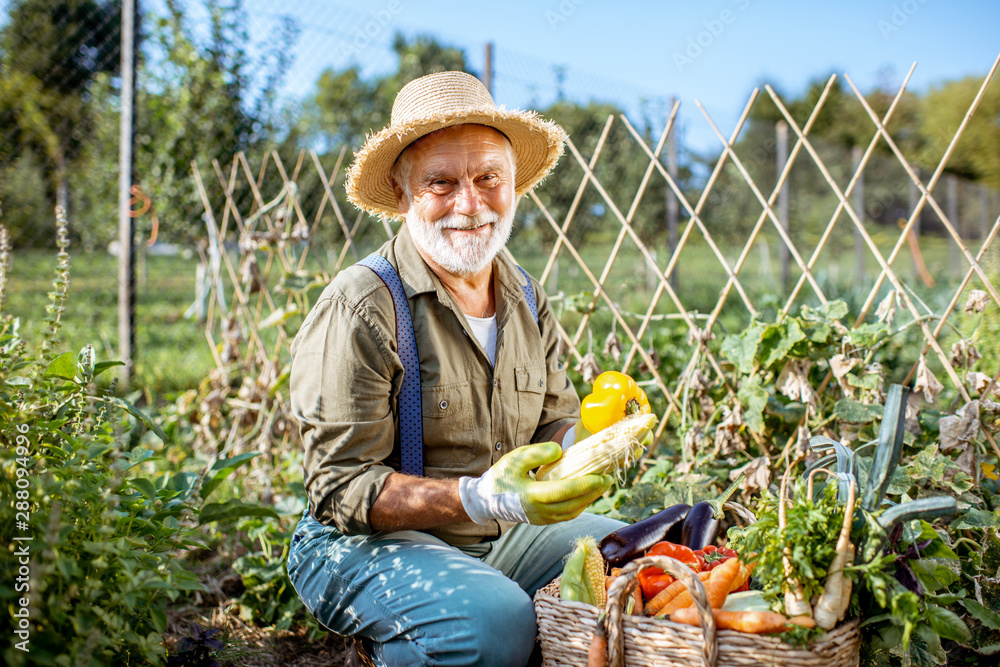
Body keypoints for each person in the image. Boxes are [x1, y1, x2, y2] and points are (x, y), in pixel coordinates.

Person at [286, 71, 624, 667]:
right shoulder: (363, 306)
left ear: (513, 183)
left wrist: (598, 438)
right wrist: (481, 497)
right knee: (496, 625)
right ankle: (405, 642)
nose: (471, 204)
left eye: (488, 178)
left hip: (496, 534)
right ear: (401, 193)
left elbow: (552, 427)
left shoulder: (523, 296)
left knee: (636, 551)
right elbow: (338, 488)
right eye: (441, 182)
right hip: (361, 543)